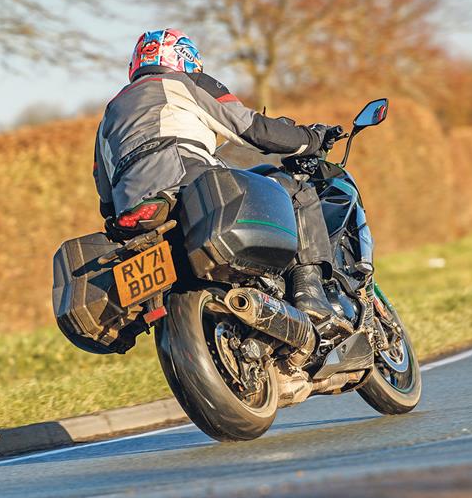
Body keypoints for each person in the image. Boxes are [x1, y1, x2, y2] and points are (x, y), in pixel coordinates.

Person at [93, 28, 343, 323]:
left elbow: (105, 196)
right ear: (186, 58)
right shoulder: (186, 82)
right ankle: (309, 292)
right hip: (187, 179)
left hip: (133, 214)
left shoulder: (109, 115)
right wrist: (310, 138)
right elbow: (251, 128)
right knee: (293, 189)